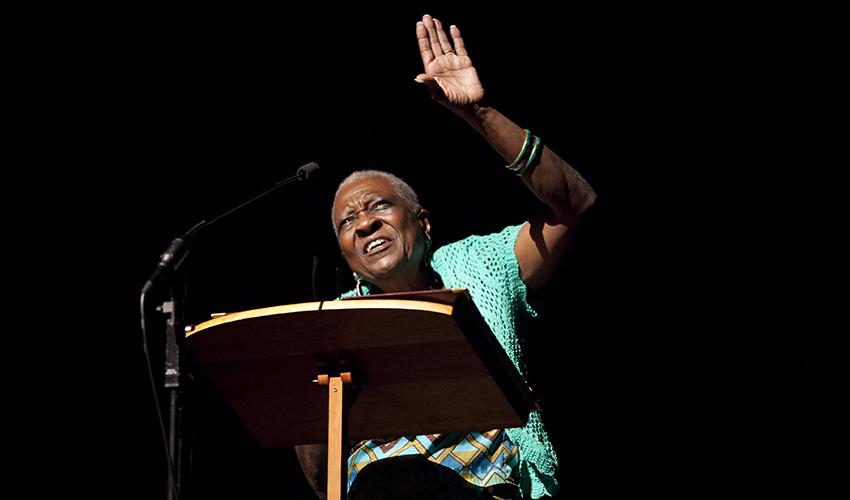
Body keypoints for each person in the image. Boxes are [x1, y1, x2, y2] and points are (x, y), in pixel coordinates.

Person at [295, 13, 596, 500]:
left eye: (378, 206)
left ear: (423, 223)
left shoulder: (481, 265)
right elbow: (318, 471)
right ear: (345, 257)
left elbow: (575, 203)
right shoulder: (337, 329)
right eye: (347, 223)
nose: (365, 223)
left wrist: (479, 114)